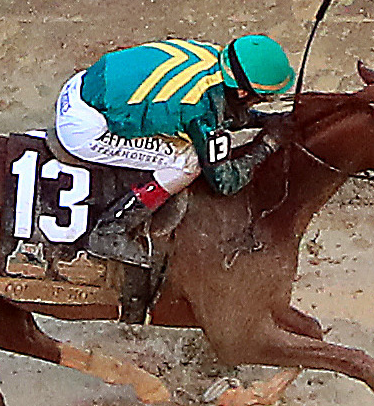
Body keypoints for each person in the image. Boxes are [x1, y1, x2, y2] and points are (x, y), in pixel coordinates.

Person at [53, 33, 296, 266]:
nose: (261, 101)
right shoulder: (200, 110)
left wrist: (262, 120)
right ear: (243, 91)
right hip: (84, 129)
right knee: (188, 161)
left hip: (81, 85)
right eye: (261, 97)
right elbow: (225, 182)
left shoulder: (213, 56)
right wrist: (268, 143)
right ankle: (110, 230)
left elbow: (223, 109)